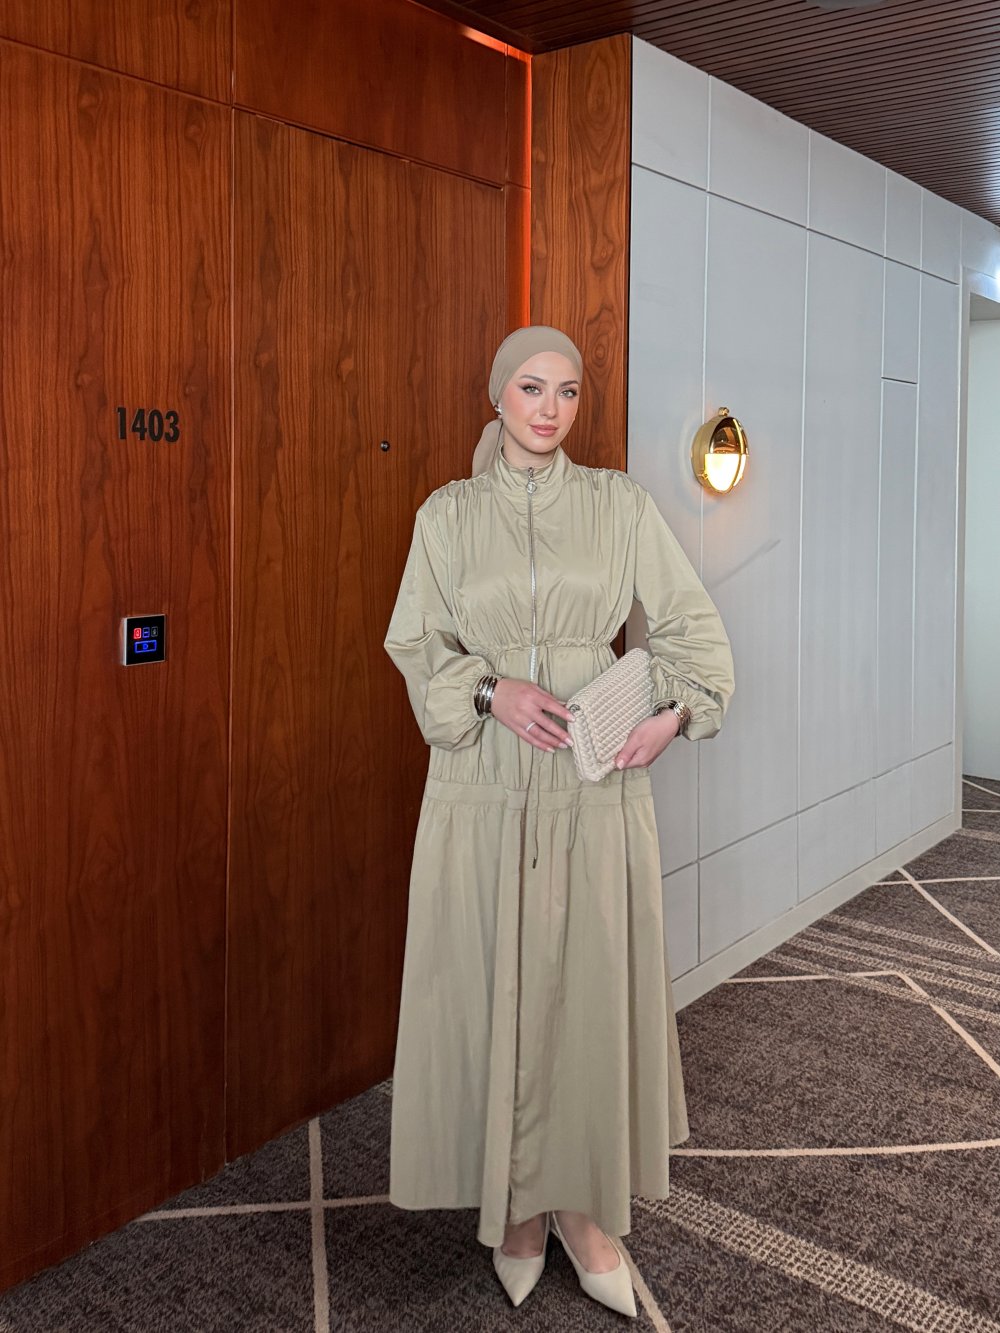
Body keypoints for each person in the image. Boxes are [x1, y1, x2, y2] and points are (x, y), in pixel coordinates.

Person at [384, 326, 735, 1316]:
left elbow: (690, 628)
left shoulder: (619, 505)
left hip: (593, 786)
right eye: (531, 388)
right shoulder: (447, 516)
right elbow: (416, 643)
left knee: (584, 994)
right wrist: (489, 690)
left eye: (567, 391)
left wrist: (672, 715)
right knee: (491, 986)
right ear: (497, 396)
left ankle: (583, 1213)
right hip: (484, 785)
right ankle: (517, 1211)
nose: (549, 408)